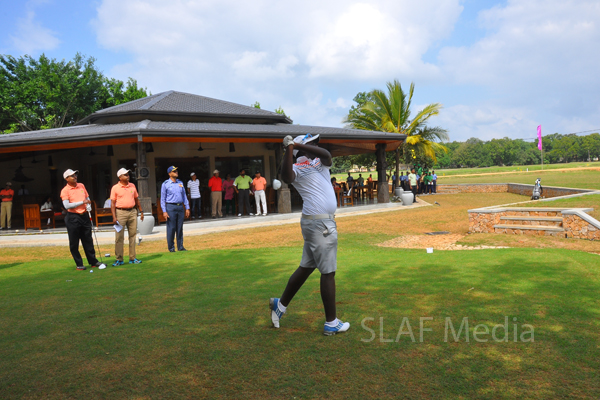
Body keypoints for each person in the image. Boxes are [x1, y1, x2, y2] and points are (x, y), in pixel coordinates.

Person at [270, 133, 350, 336]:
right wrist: (291, 148)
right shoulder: (296, 167)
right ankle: (331, 322)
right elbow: (286, 177)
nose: (316, 145)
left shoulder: (319, 163)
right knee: (328, 272)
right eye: (312, 143)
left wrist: (298, 144)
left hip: (317, 222)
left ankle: (280, 305)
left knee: (306, 267)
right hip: (320, 224)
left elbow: (327, 155)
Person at [60, 169, 105, 270]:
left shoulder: (81, 185)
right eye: (72, 176)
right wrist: (82, 202)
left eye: (75, 175)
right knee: (74, 242)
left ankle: (93, 261)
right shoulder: (65, 190)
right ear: (67, 178)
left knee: (88, 240)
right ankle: (79, 263)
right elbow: (67, 206)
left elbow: (87, 198)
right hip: (73, 217)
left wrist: (88, 205)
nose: (75, 177)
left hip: (84, 216)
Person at [110, 168, 144, 266]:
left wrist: (141, 211)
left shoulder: (132, 186)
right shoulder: (115, 188)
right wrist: (114, 217)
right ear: (120, 177)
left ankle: (132, 258)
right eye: (125, 175)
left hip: (132, 211)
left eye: (128, 174)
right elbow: (112, 204)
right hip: (120, 212)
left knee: (132, 236)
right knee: (119, 237)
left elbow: (136, 199)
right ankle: (119, 259)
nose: (128, 176)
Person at [160, 166, 190, 252]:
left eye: (176, 171)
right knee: (171, 228)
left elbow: (184, 196)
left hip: (180, 206)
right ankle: (171, 248)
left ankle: (180, 246)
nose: (176, 172)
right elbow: (162, 199)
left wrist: (187, 207)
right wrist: (164, 211)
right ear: (169, 174)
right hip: (171, 207)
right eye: (174, 171)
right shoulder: (165, 184)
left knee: (179, 227)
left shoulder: (180, 183)